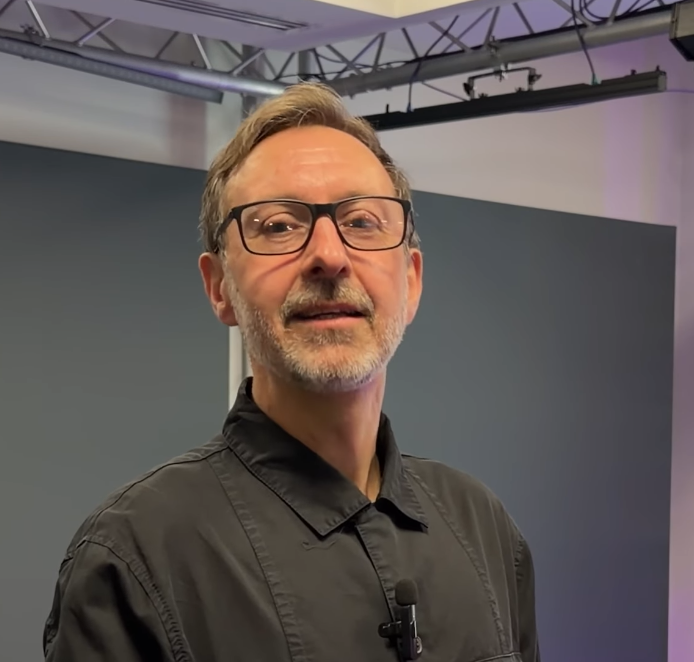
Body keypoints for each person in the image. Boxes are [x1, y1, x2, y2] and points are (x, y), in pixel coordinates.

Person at [42, 82, 541, 662]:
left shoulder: (484, 531)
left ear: (411, 281)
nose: (328, 255)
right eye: (278, 226)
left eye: (362, 221)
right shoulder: (135, 558)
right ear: (219, 287)